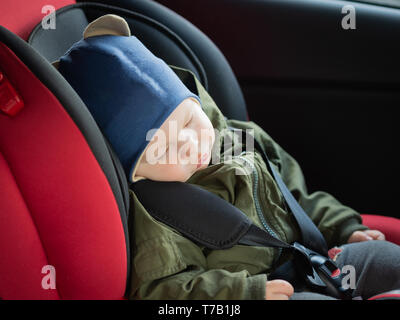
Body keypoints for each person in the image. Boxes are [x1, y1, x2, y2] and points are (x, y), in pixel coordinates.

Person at [55, 14, 400, 300]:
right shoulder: (158, 217)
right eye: (162, 149)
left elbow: (294, 195)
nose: (189, 144)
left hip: (312, 259)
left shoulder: (237, 139)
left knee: (387, 261)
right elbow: (163, 292)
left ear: (195, 101)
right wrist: (244, 292)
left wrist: (341, 226)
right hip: (260, 291)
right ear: (135, 172)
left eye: (189, 120)